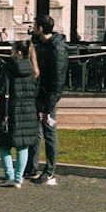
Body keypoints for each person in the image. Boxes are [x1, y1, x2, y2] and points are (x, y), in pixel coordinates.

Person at [22, 14, 68, 185]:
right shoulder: (41, 43)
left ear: (40, 28)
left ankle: (49, 171)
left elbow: (57, 82)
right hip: (38, 93)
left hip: (48, 96)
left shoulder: (57, 49)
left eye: (34, 26)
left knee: (49, 132)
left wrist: (48, 108)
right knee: (36, 131)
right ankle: (32, 168)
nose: (32, 28)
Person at [0, 40, 40, 186]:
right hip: (28, 110)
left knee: (4, 146)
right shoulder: (33, 67)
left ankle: (9, 176)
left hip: (9, 109)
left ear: (18, 52)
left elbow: (0, 89)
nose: (10, 53)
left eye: (12, 51)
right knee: (23, 146)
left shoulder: (9, 66)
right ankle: (18, 178)